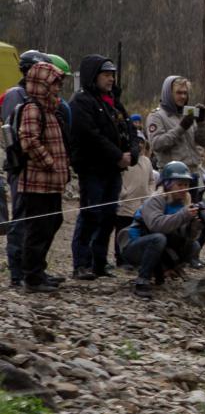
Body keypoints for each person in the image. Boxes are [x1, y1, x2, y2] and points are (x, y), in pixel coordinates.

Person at [68, 54, 140, 280]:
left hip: (113, 170)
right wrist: (118, 155)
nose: (110, 80)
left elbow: (130, 129)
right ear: (94, 76)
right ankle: (82, 263)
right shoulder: (81, 102)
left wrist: (133, 154)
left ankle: (99, 262)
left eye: (112, 75)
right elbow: (91, 136)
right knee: (91, 214)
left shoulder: (114, 102)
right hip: (93, 169)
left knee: (109, 216)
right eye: (106, 75)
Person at [11, 61, 71, 292]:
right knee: (37, 229)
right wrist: (50, 163)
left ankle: (39, 270)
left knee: (53, 223)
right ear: (41, 84)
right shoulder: (32, 108)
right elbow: (29, 140)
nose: (58, 88)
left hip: (51, 184)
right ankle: (32, 277)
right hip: (37, 183)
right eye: (54, 83)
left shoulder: (50, 109)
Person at [117, 161, 204, 298]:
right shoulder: (155, 200)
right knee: (158, 238)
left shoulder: (183, 204)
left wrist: (194, 227)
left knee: (194, 245)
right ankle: (142, 280)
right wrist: (184, 215)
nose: (183, 189)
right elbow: (157, 226)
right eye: (179, 184)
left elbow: (184, 235)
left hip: (158, 244)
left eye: (186, 185)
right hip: (134, 245)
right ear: (168, 184)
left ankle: (165, 270)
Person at [145, 75, 205, 169]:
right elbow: (156, 144)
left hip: (194, 170)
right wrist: (181, 128)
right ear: (168, 94)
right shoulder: (156, 116)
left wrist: (201, 123)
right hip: (173, 174)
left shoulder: (188, 113)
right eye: (179, 93)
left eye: (185, 93)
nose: (183, 96)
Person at [115, 147, 156, 266]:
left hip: (142, 203)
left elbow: (152, 180)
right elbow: (119, 176)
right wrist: (123, 192)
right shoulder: (125, 159)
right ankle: (120, 258)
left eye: (142, 142)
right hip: (126, 202)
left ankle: (135, 258)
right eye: (137, 142)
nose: (140, 145)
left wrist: (150, 193)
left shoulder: (147, 161)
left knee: (137, 231)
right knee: (122, 232)